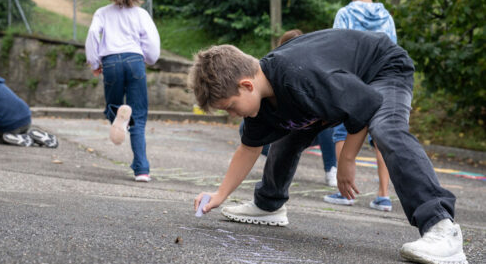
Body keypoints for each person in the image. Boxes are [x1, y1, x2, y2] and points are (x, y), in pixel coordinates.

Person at [190, 29, 467, 264]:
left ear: (247, 85)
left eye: (230, 107)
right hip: (345, 86)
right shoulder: (262, 102)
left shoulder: (300, 76)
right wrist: (220, 195)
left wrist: (347, 159)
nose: (232, 114)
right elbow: (247, 149)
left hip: (381, 68)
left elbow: (365, 103)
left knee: (386, 128)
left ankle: (441, 226)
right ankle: (268, 205)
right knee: (288, 132)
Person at [323, 0, 396, 211]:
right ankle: (384, 195)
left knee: (343, 132)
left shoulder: (345, 14)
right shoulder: (386, 16)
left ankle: (346, 192)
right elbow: (392, 51)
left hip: (352, 83)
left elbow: (336, 48)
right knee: (380, 140)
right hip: (380, 84)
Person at [85, 0, 160, 182]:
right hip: (135, 61)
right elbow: (152, 44)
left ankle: (119, 117)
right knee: (139, 116)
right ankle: (142, 170)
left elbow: (92, 34)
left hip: (111, 63)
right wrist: (149, 59)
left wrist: (94, 61)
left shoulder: (102, 13)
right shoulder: (141, 14)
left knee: (112, 108)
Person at [238, 29, 338, 186]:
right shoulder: (272, 69)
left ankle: (331, 168)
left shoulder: (311, 72)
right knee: (245, 128)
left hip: (310, 125)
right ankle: (280, 158)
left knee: (327, 125)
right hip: (286, 125)